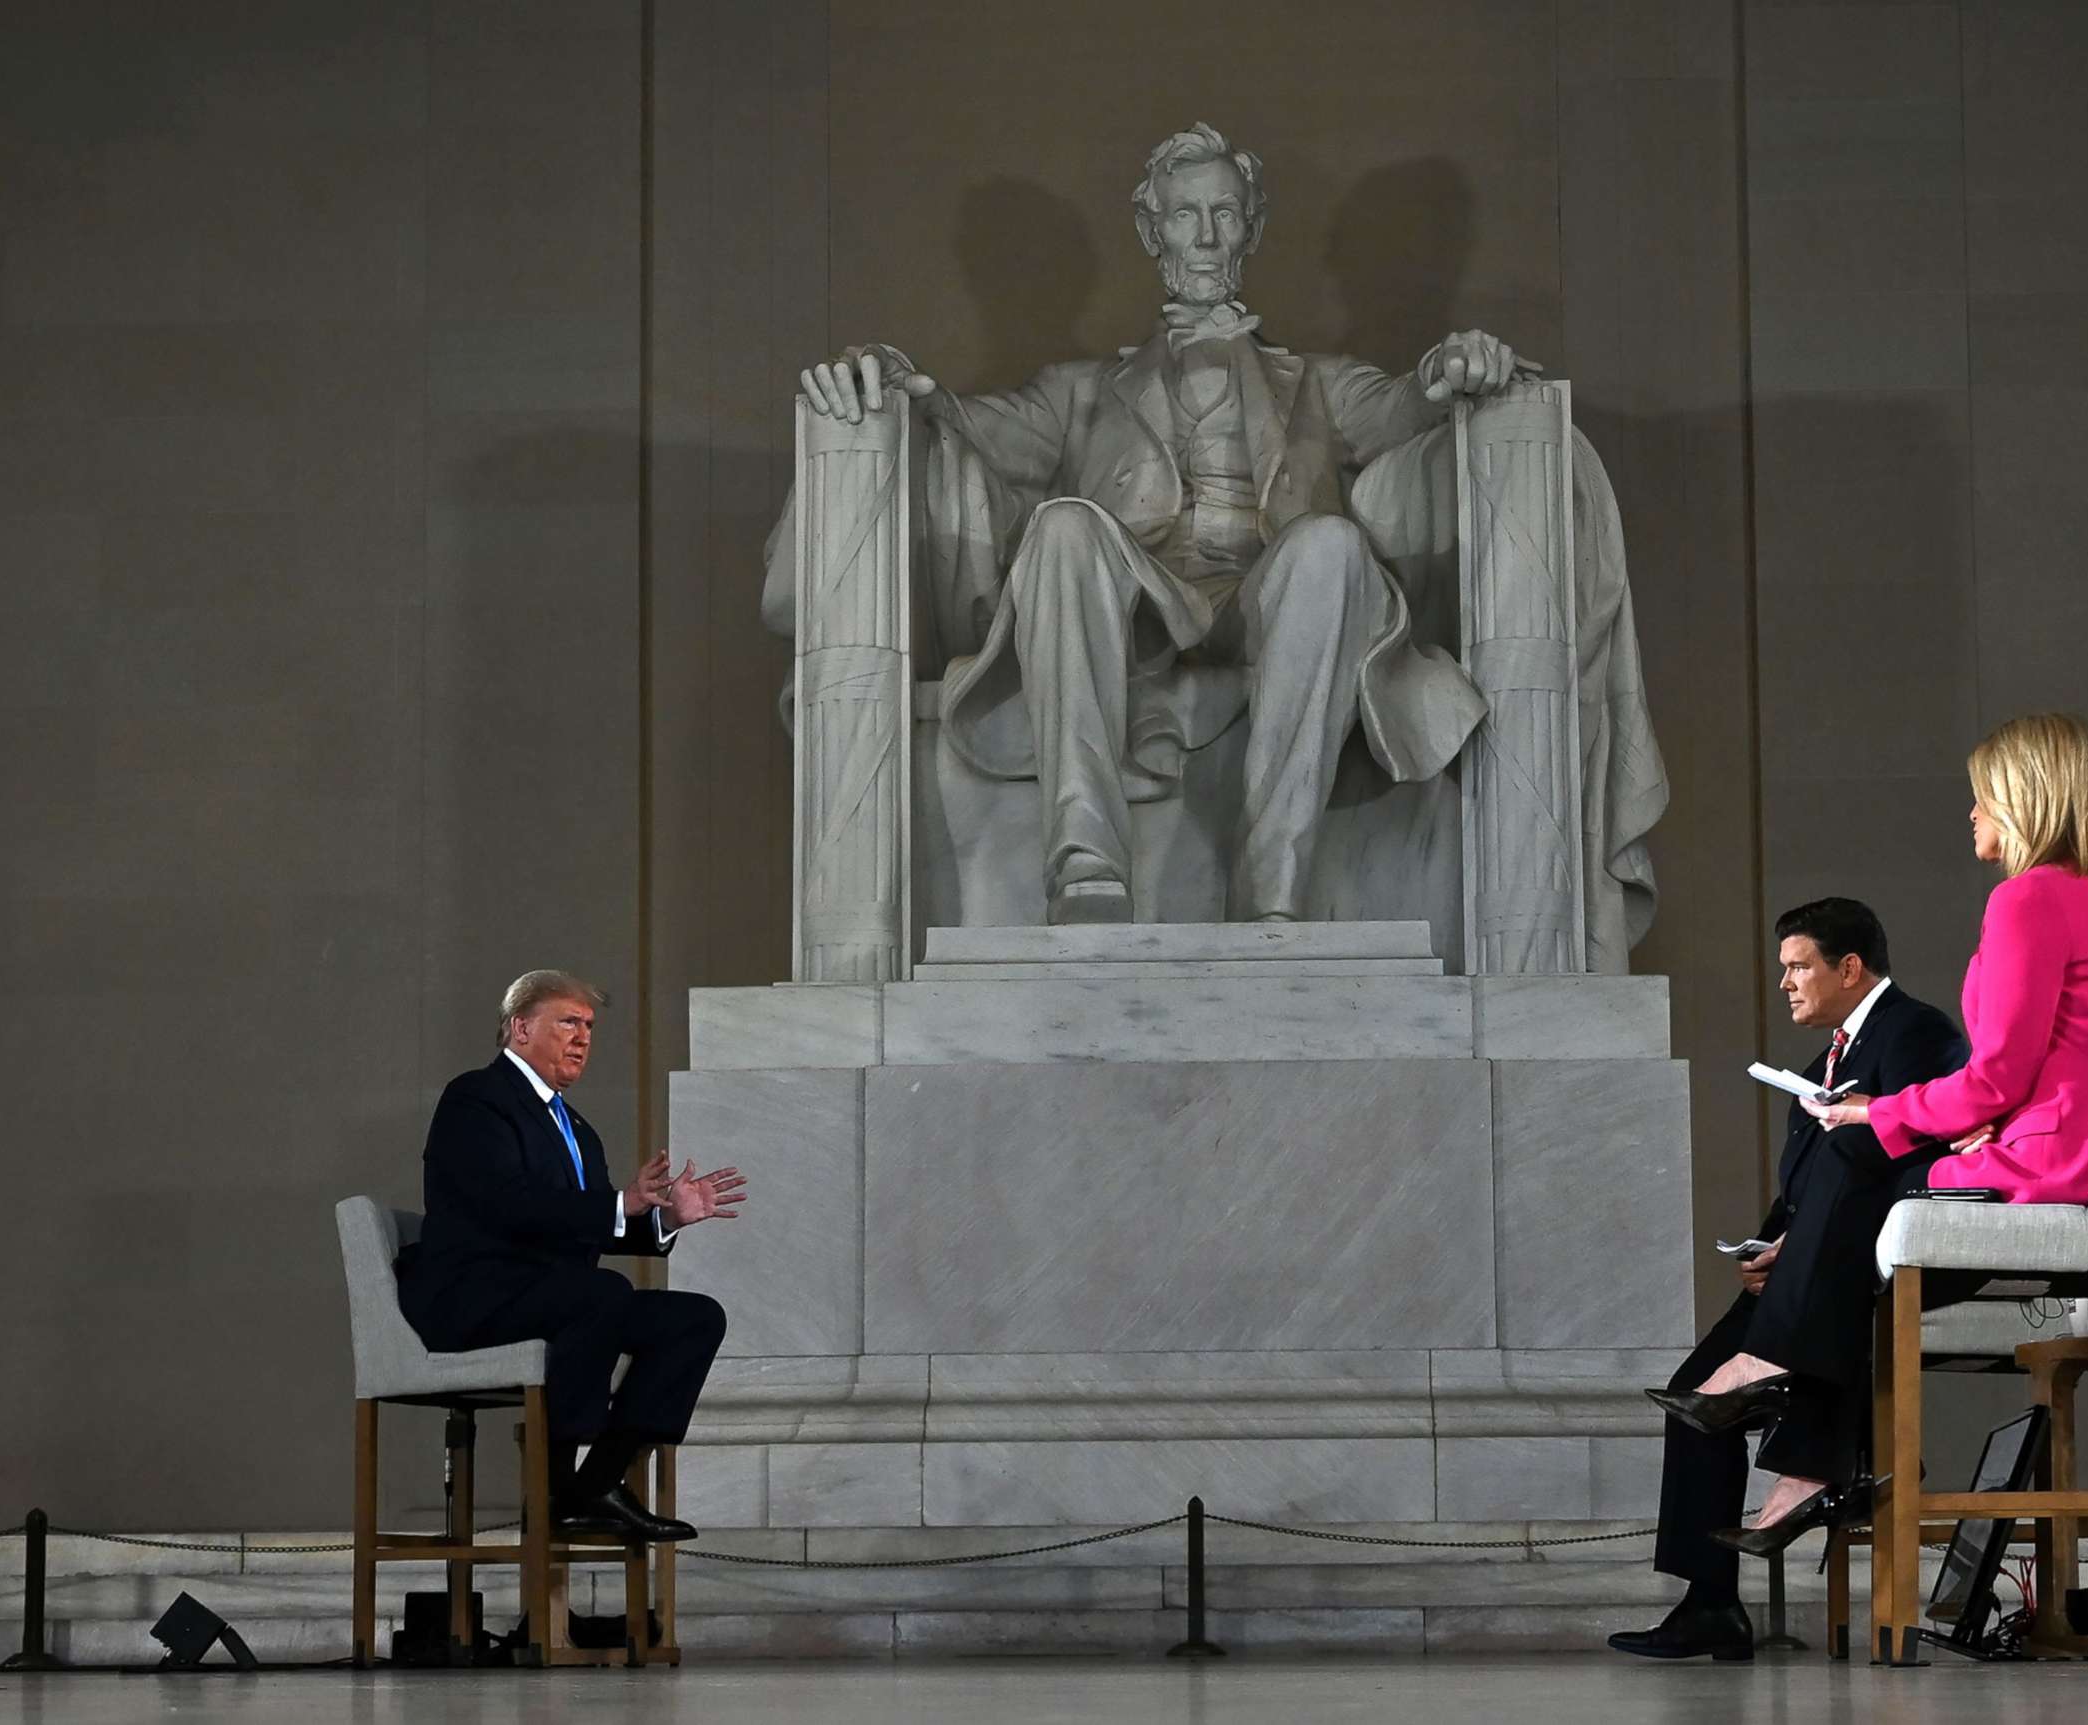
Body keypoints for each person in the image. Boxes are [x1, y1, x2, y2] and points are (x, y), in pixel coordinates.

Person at [779, 121, 1667, 951]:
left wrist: (1450, 368)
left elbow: (1406, 407)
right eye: (1183, 216)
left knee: (1329, 545)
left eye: (1223, 214)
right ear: (1151, 230)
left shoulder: (1317, 382)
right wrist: (898, 383)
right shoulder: (1083, 391)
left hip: (1272, 599)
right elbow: (968, 424)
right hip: (1136, 612)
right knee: (1061, 527)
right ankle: (1084, 860)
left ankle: (1272, 875)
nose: (1204, 235)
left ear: (1249, 229)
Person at [1609, 899, 1967, 1662]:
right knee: (1695, 1393)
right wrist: (1771, 1243)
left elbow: (1914, 1149)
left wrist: (1805, 1242)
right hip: (1804, 1267)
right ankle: (1709, 1603)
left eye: (1800, 966)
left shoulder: (1919, 1031)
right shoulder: (1816, 1068)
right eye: (1782, 968)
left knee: (1778, 1358)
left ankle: (1824, 1465)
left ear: (1849, 968)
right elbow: (1805, 1192)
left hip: (1874, 1265)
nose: (1786, 982)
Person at [397, 971, 748, 1543]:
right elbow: (506, 1205)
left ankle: (598, 1482)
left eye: (588, 1026)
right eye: (568, 1021)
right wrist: (620, 1201)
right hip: (471, 1295)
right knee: (603, 1292)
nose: (583, 1037)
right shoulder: (476, 1098)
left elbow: (592, 1224)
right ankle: (559, 1484)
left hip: (560, 1299)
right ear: (520, 1027)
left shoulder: (576, 1128)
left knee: (695, 1317)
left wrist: (665, 1218)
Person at [1803, 712, 2088, 1205]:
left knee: (1853, 1169)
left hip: (2049, 1158)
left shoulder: (2028, 898)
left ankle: (1782, 1280)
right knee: (1859, 1172)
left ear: (2023, 799)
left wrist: (1874, 1109)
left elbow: (1997, 1074)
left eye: (1984, 796)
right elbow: (2051, 1060)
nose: (1973, 813)